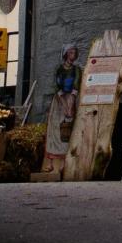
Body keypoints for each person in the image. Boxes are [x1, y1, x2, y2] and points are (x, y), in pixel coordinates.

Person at [42, 41, 82, 173]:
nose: (73, 55)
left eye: (74, 52)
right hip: (58, 101)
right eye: (70, 52)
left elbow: (76, 86)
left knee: (67, 130)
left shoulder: (76, 69)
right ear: (65, 54)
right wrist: (63, 104)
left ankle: (65, 163)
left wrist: (70, 105)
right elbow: (57, 86)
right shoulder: (59, 69)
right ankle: (51, 163)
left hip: (71, 98)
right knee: (54, 130)